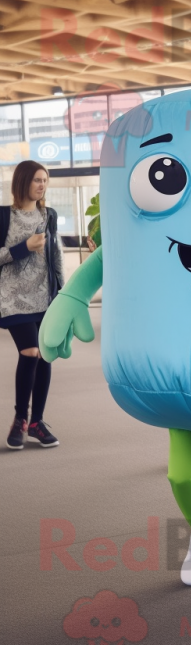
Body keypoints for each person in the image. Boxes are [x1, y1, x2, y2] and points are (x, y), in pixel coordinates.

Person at [1, 160, 64, 449]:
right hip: (12, 297)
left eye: (45, 180)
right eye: (37, 179)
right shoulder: (4, 215)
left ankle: (36, 422)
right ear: (23, 181)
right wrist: (22, 248)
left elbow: (56, 255)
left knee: (44, 355)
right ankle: (20, 419)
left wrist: (63, 295)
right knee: (30, 352)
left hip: (44, 297)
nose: (42, 185)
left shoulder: (49, 215)